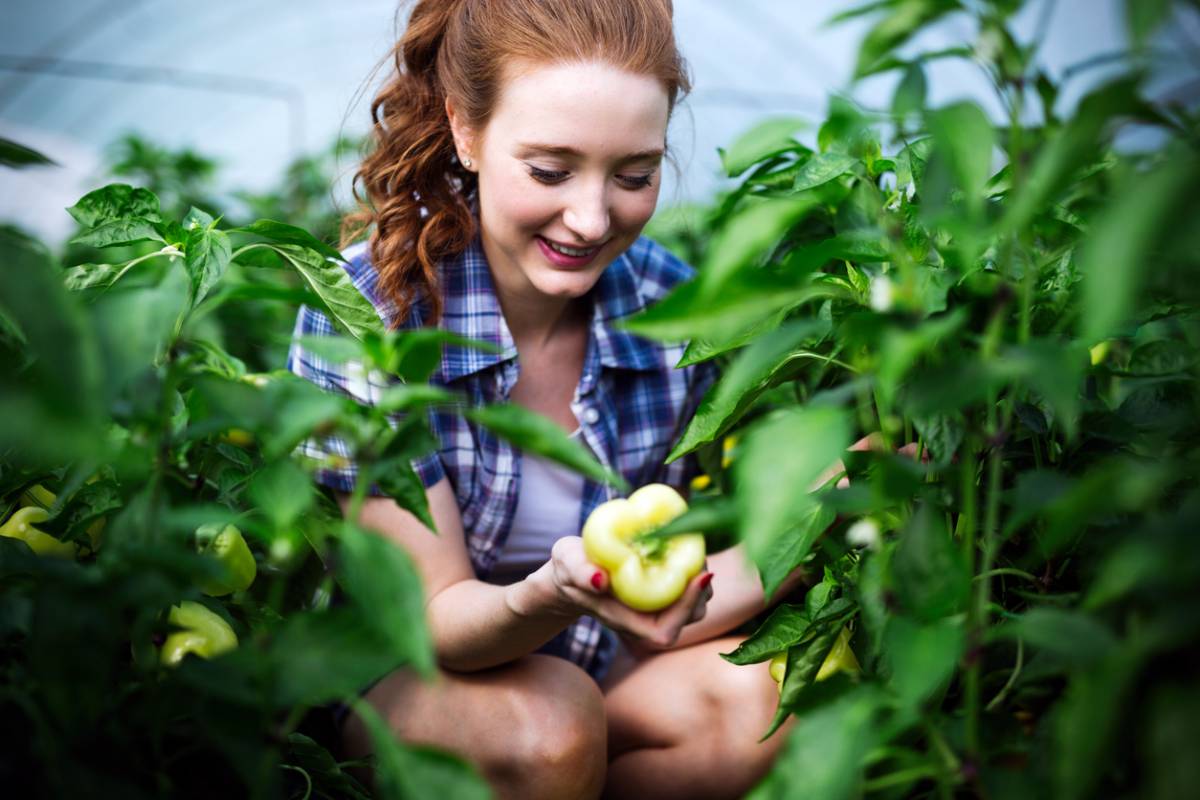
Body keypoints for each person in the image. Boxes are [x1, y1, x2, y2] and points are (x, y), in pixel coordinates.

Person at [287, 1, 808, 797]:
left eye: (635, 174)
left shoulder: (674, 309)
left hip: (597, 666)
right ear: (466, 129)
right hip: (409, 681)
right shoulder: (368, 314)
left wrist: (822, 511)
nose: (592, 218)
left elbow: (671, 603)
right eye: (550, 171)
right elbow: (431, 622)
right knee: (550, 725)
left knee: (758, 697)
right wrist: (557, 593)